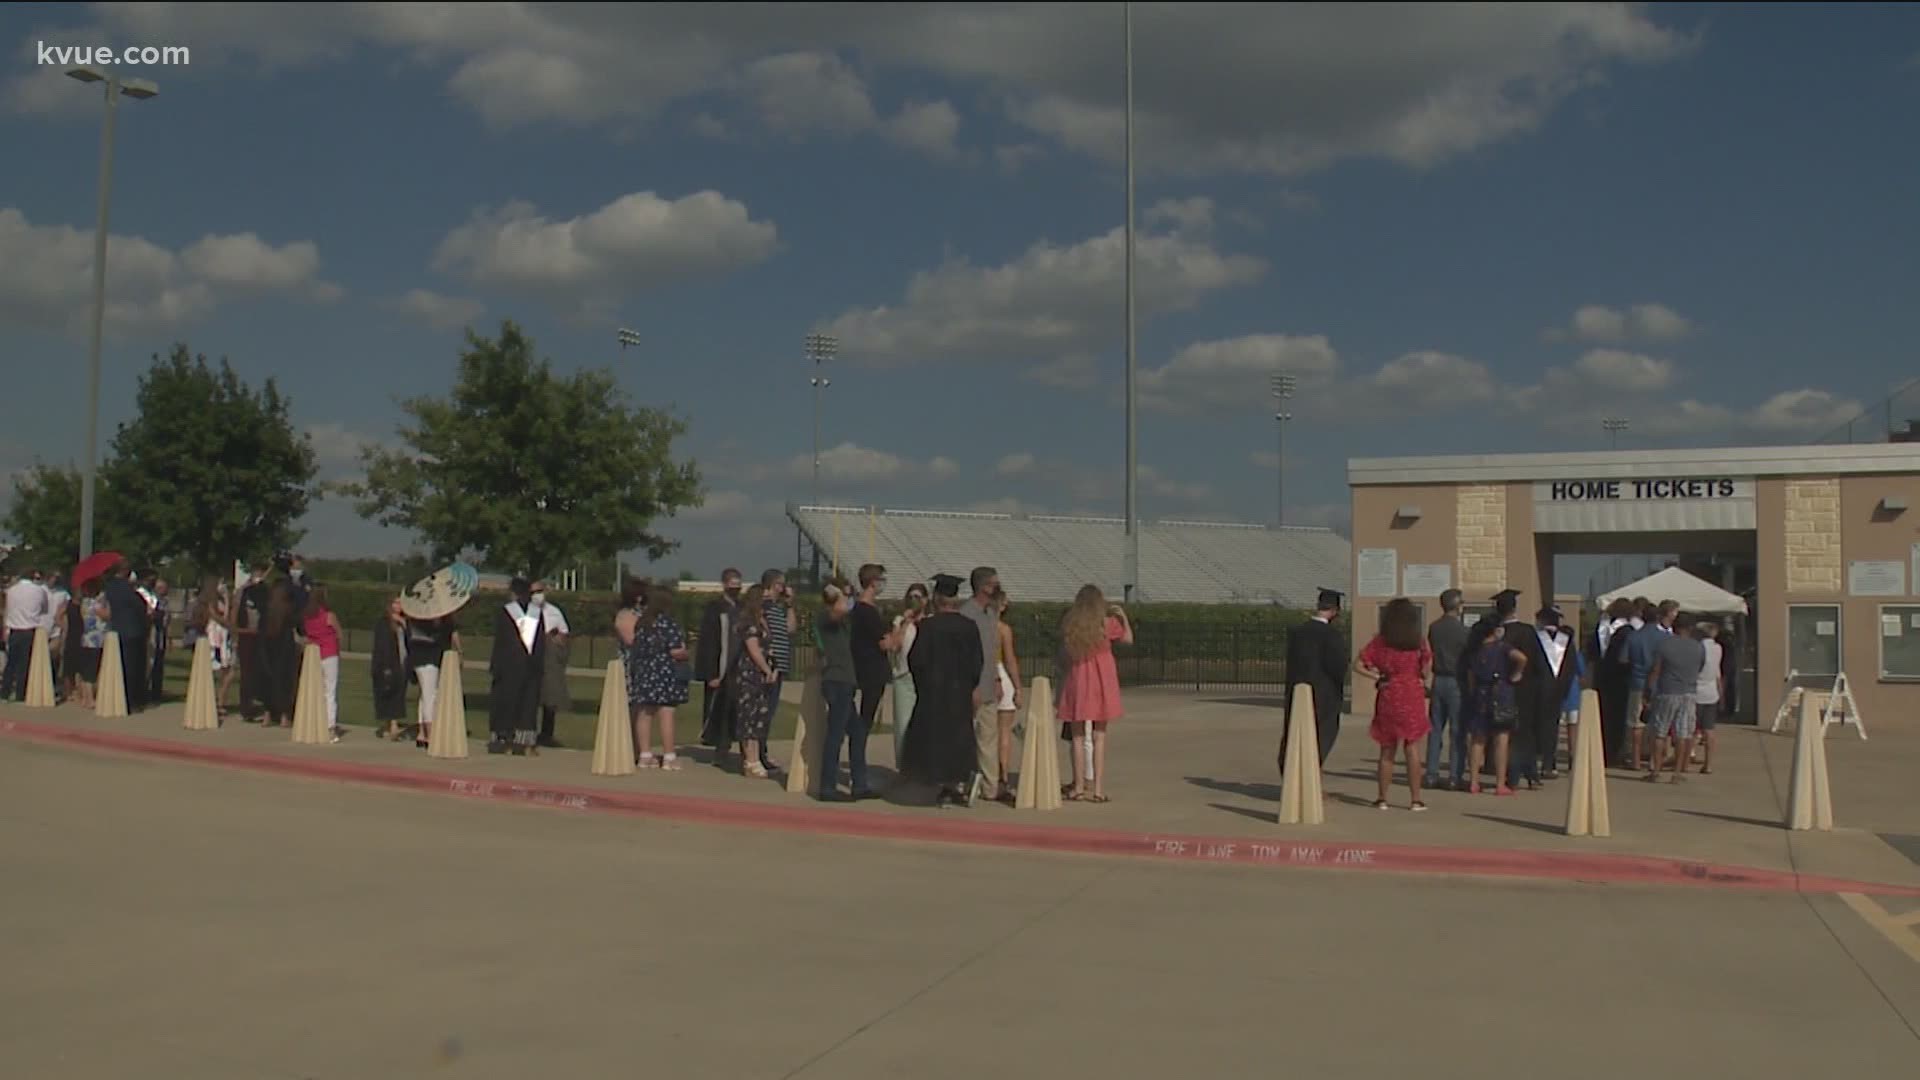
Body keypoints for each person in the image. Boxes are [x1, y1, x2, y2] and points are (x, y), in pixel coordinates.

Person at [901, 574, 988, 807]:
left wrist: (924, 684)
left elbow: (916, 660)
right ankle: (957, 783)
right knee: (959, 737)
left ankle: (939, 784)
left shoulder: (928, 627)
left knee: (935, 737)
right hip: (959, 692)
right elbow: (977, 662)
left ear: (938, 599)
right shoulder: (969, 627)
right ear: (955, 599)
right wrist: (970, 685)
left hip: (934, 692)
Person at [1057, 584, 1132, 803]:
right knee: (1100, 737)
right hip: (1102, 682)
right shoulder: (1106, 625)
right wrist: (1123, 618)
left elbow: (1064, 654)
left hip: (1079, 680)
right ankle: (1098, 789)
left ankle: (1078, 786)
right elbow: (1128, 639)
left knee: (1078, 737)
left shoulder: (1072, 625)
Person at [1356, 597, 1433, 810]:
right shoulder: (1419, 641)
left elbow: (1358, 664)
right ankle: (1415, 799)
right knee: (1412, 746)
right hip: (1412, 694)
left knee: (1387, 749)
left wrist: (1378, 677)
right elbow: (1426, 671)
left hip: (1389, 693)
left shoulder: (1381, 642)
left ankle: (1382, 798)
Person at [1281, 588, 1347, 772]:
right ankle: (1312, 778)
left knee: (1295, 734)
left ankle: (1292, 776)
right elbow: (1338, 666)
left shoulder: (1298, 632)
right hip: (1324, 694)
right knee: (1320, 736)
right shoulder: (1332, 635)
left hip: (1297, 690)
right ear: (1334, 611)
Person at [816, 576, 869, 801]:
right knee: (835, 734)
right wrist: (840, 596)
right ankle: (827, 787)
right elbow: (836, 613)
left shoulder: (844, 621)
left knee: (856, 732)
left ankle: (860, 784)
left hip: (846, 680)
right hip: (835, 680)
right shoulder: (825, 616)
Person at [848, 564, 896, 791]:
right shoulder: (867, 611)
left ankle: (859, 771)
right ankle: (859, 775)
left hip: (862, 668)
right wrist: (901, 625)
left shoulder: (858, 609)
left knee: (862, 721)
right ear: (873, 581)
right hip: (871, 670)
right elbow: (886, 643)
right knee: (864, 723)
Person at [1464, 620, 1525, 795]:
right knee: (1501, 739)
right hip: (1502, 692)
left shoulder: (1473, 651)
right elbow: (1522, 657)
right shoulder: (1502, 647)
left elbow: (1471, 679)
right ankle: (1500, 783)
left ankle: (1474, 782)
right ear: (1493, 631)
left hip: (1481, 693)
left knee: (1478, 739)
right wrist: (1517, 673)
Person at [487, 577, 546, 756]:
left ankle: (503, 738)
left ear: (513, 592)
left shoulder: (506, 612)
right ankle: (525, 741)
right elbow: (541, 643)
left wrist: (495, 666)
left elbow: (501, 642)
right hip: (531, 665)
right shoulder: (537, 613)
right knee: (528, 702)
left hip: (509, 664)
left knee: (506, 701)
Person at [960, 567, 1004, 803]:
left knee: (989, 738)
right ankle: (962, 780)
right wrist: (972, 686)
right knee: (968, 738)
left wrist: (997, 678)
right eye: (994, 583)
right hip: (972, 687)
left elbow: (992, 651)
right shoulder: (967, 614)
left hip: (989, 684)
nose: (998, 587)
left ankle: (991, 787)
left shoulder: (991, 613)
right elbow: (965, 655)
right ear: (983, 586)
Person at [1645, 612, 1705, 783]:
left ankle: (1656, 770)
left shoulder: (1664, 645)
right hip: (1689, 692)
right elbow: (1699, 668)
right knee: (1683, 733)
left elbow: (1656, 670)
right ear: (1691, 628)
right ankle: (1677, 773)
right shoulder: (1698, 647)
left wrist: (1648, 691)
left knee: (1660, 732)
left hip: (1667, 691)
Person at [728, 585, 779, 779]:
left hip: (764, 674)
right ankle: (750, 760)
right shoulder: (748, 622)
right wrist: (765, 668)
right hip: (749, 673)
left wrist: (772, 669)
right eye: (764, 598)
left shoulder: (763, 621)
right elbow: (753, 649)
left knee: (760, 716)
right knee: (748, 715)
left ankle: (757, 756)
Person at [696, 568, 744, 756]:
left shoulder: (741, 607)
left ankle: (735, 745)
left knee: (736, 709)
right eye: (732, 585)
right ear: (724, 584)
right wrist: (711, 673)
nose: (735, 589)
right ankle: (719, 747)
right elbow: (708, 642)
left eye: (738, 586)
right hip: (719, 666)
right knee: (718, 709)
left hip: (738, 667)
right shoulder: (714, 608)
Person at [1424, 589, 1469, 790]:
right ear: (1457, 605)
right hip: (1456, 679)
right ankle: (1454, 775)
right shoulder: (1463, 631)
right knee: (1457, 730)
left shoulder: (1434, 628)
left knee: (1435, 729)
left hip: (1438, 678)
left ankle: (1431, 774)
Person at [1626, 600, 1678, 771]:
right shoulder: (1665, 638)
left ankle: (1635, 759)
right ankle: (1656, 760)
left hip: (1637, 681)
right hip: (1660, 684)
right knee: (1659, 724)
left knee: (1636, 723)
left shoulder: (1633, 636)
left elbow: (1623, 658)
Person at [988, 588, 1024, 803]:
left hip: (984, 676)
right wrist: (1019, 688)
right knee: (1004, 733)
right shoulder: (1003, 629)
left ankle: (987, 774)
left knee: (985, 732)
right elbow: (1010, 660)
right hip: (1001, 673)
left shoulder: (979, 625)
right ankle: (1002, 777)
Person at [1591, 598, 1636, 767]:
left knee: (1603, 715)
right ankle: (1613, 753)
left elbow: (1592, 652)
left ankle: (1602, 750)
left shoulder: (1601, 628)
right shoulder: (1627, 631)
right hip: (1620, 678)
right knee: (1617, 717)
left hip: (1601, 675)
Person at [757, 569, 793, 775]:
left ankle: (763, 749)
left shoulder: (779, 608)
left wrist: (789, 605)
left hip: (780, 665)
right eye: (781, 584)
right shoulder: (764, 605)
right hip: (769, 664)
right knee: (763, 710)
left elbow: (791, 628)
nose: (784, 588)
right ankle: (758, 752)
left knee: (770, 710)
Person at [101, 561, 151, 712]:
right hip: (133, 630)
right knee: (133, 667)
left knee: (119, 666)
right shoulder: (128, 588)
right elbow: (139, 606)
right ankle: (133, 700)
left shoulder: (109, 587)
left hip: (116, 629)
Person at [889, 583, 929, 765]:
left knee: (925, 723)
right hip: (903, 676)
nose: (914, 601)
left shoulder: (930, 621)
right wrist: (905, 623)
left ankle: (921, 764)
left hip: (925, 677)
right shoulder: (899, 621)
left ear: (925, 600)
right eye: (911, 597)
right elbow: (895, 646)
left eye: (918, 597)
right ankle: (904, 764)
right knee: (903, 723)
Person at [406, 614, 460, 749]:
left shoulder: (414, 618)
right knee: (430, 695)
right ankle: (430, 734)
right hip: (428, 658)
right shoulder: (429, 622)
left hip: (418, 657)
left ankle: (422, 733)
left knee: (425, 695)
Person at [301, 583, 346, 743]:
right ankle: (330, 726)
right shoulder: (328, 615)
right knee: (330, 691)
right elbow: (339, 633)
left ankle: (314, 722)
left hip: (314, 654)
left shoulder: (307, 615)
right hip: (329, 652)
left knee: (316, 690)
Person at [532, 581, 571, 748]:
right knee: (530, 696)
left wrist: (557, 639)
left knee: (550, 696)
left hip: (549, 656)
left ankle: (547, 734)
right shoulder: (524, 611)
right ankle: (527, 732)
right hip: (531, 653)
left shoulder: (554, 612)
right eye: (534, 592)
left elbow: (564, 633)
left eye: (540, 591)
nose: (537, 595)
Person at [259, 579, 302, 728]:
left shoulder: (267, 609)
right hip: (285, 647)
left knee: (268, 680)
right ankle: (284, 716)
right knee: (285, 682)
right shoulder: (289, 609)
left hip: (267, 646)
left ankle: (267, 715)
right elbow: (300, 626)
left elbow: (260, 628)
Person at [3, 568, 48, 701]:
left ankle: (4, 692)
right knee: (25, 663)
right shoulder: (39, 590)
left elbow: (8, 608)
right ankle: (20, 693)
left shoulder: (11, 590)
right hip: (30, 629)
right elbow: (44, 609)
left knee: (11, 662)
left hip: (14, 629)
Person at [235, 561, 271, 723]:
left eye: (260, 572)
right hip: (247, 635)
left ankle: (264, 703)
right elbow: (236, 612)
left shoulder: (266, 592)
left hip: (262, 636)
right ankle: (246, 707)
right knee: (246, 673)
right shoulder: (244, 592)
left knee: (262, 671)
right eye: (255, 572)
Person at [372, 595, 410, 740]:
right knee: (390, 691)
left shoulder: (404, 622)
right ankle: (391, 725)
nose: (399, 605)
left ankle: (391, 724)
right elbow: (382, 646)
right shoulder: (384, 623)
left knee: (399, 692)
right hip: (388, 663)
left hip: (402, 660)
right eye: (396, 602)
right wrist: (385, 666)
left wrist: (404, 624)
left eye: (401, 603)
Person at [1696, 621, 1726, 773]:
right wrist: (1721, 694)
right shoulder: (1718, 648)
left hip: (1696, 691)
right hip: (1711, 692)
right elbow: (1718, 674)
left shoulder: (1698, 648)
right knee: (1709, 729)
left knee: (1690, 729)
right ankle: (1708, 764)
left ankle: (1688, 756)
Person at [147, 577, 171, 704]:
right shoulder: (150, 600)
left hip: (161, 635)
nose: (163, 590)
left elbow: (168, 620)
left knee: (159, 665)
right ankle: (145, 691)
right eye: (161, 588)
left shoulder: (166, 602)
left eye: (165, 588)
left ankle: (156, 693)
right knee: (149, 664)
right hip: (152, 634)